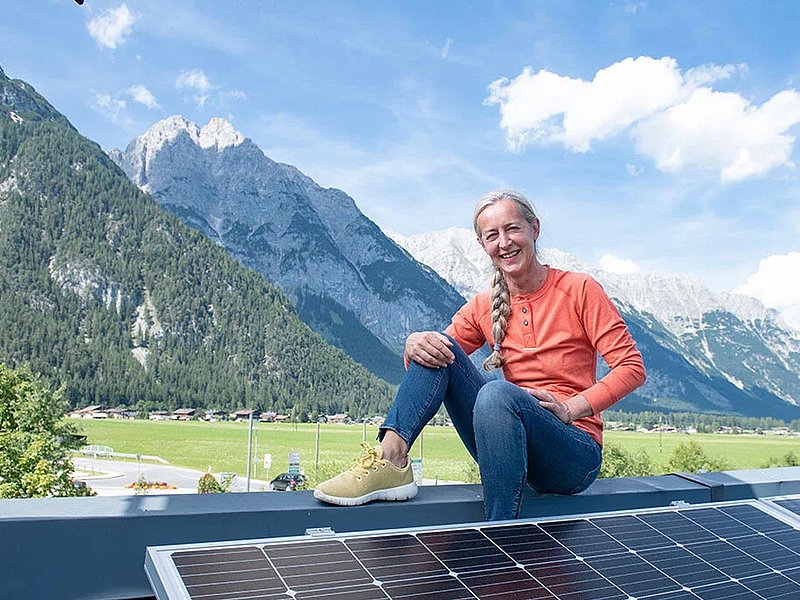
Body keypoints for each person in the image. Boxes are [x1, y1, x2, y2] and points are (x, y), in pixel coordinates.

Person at [314, 189, 646, 520]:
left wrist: (570, 409)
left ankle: (499, 531)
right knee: (437, 346)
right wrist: (413, 341)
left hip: (573, 452)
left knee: (497, 392)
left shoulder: (579, 289)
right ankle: (391, 460)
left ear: (535, 229)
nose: (504, 243)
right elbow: (430, 368)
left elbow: (631, 367)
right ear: (482, 244)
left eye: (513, 229)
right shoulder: (483, 306)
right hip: (508, 445)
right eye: (492, 236)